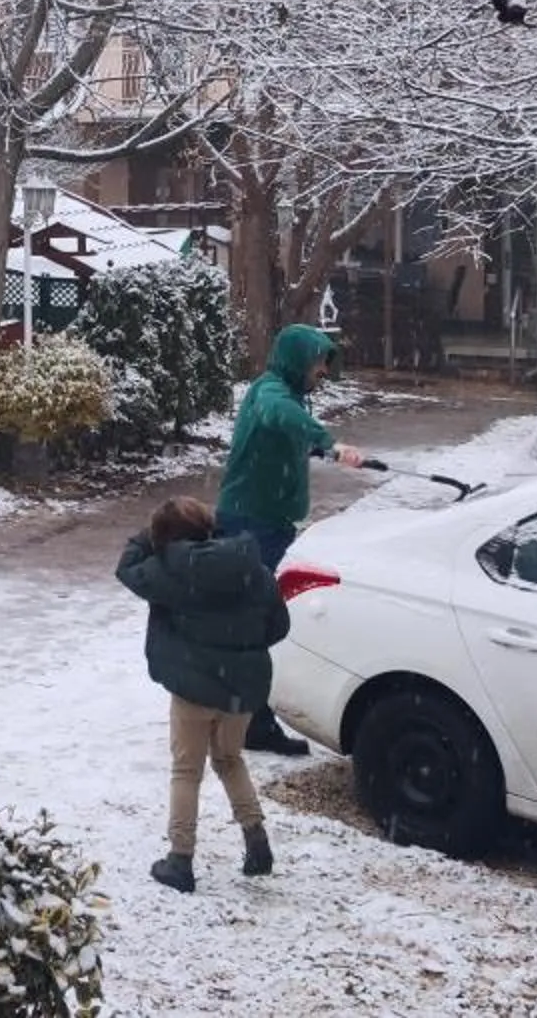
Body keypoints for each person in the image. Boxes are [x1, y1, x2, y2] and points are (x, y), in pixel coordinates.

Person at [116, 496, 289, 891]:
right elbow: (278, 625)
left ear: (166, 538)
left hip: (193, 690)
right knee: (230, 759)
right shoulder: (252, 567)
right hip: (242, 690)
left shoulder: (170, 571)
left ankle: (180, 859)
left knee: (186, 770)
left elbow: (126, 568)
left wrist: (151, 537)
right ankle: (257, 842)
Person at [214, 323, 362, 754]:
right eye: (317, 361)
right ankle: (250, 726)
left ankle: (235, 717)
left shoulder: (287, 392)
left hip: (266, 522)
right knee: (251, 626)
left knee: (251, 623)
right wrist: (328, 442)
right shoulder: (271, 392)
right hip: (249, 525)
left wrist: (315, 448)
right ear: (297, 358)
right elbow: (283, 417)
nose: (322, 370)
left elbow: (283, 431)